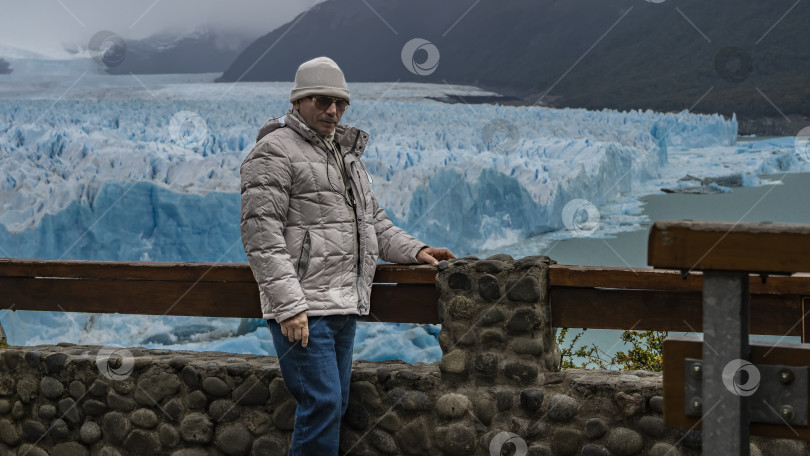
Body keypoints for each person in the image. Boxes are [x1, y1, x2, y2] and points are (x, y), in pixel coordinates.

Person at [239, 56, 455, 455]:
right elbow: (261, 236)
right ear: (299, 101)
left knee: (333, 405)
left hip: (342, 306)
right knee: (321, 404)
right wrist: (289, 307)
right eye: (322, 101)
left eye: (340, 103)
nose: (333, 111)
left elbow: (372, 222)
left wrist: (416, 250)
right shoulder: (273, 153)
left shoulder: (345, 155)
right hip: (305, 310)